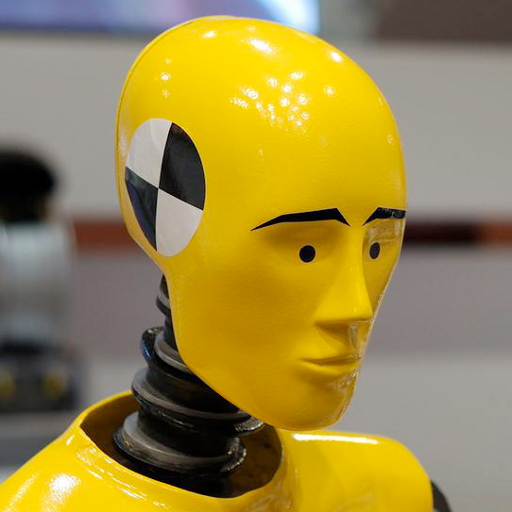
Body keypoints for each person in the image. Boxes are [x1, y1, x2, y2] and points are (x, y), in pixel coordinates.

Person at [0, 17, 450, 511]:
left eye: (376, 247)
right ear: (160, 212)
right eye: (305, 250)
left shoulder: (392, 494)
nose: (355, 307)